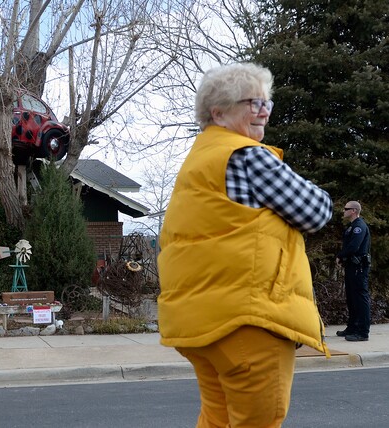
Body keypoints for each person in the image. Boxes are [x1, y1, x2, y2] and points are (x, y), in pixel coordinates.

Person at [157, 62, 333, 427]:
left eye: (267, 102)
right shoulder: (248, 156)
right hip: (248, 321)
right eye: (252, 103)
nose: (264, 111)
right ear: (218, 113)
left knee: (217, 419)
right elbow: (317, 211)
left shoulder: (197, 163)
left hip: (201, 326)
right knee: (258, 421)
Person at [335, 201, 371, 342]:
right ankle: (352, 327)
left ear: (354, 211)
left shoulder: (359, 227)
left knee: (360, 298)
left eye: (346, 209)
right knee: (351, 298)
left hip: (359, 267)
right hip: (352, 266)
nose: (343, 211)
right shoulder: (352, 226)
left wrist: (340, 255)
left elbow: (354, 246)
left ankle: (362, 332)